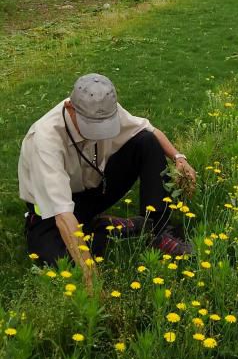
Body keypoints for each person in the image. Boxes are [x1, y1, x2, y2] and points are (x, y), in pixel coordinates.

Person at [18, 74, 197, 288]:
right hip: (51, 213)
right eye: (91, 126)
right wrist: (90, 275)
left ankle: (159, 231)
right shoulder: (45, 139)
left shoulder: (103, 107)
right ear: (70, 108)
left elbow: (148, 129)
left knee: (147, 142)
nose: (98, 133)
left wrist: (178, 157)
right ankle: (102, 227)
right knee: (65, 270)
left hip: (95, 190)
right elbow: (62, 214)